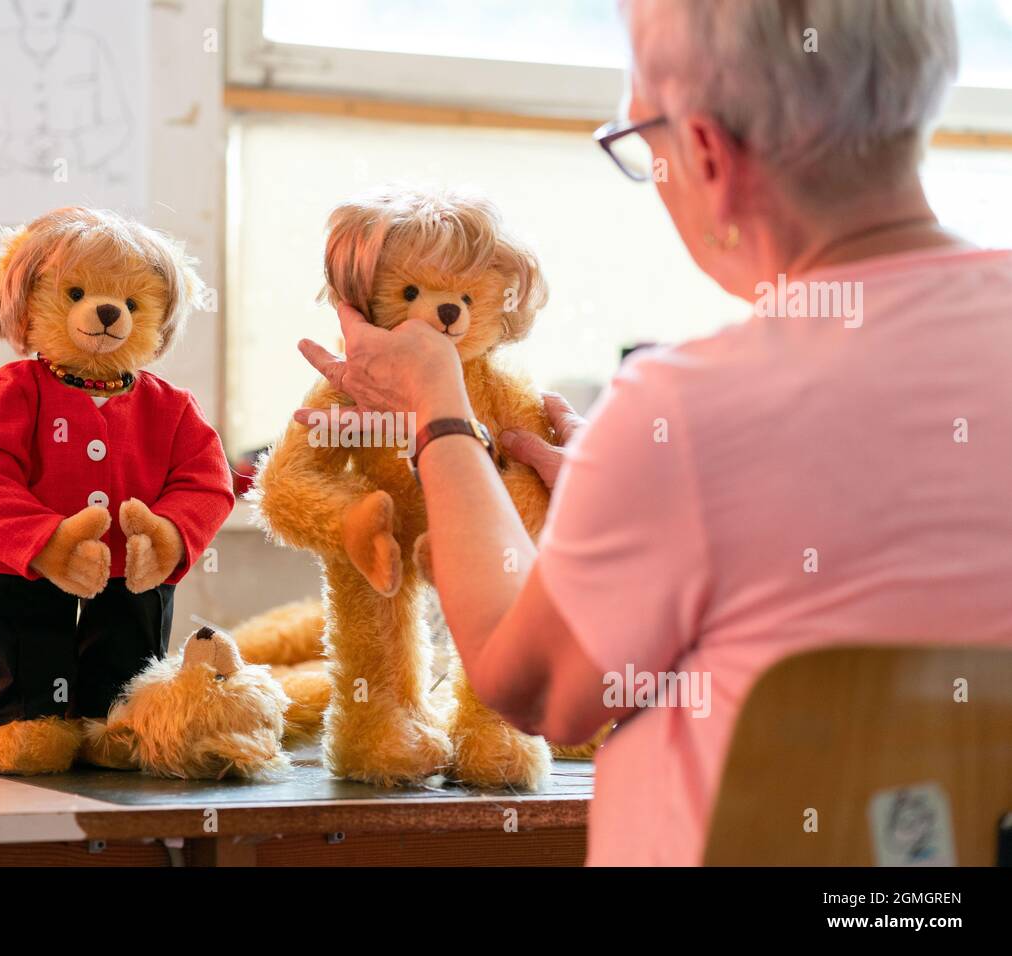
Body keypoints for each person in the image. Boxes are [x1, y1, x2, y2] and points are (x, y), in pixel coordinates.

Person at [295, 0, 1012, 865]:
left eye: (642, 143)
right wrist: (616, 488)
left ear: (705, 151)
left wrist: (438, 410)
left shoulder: (686, 409)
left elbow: (530, 689)